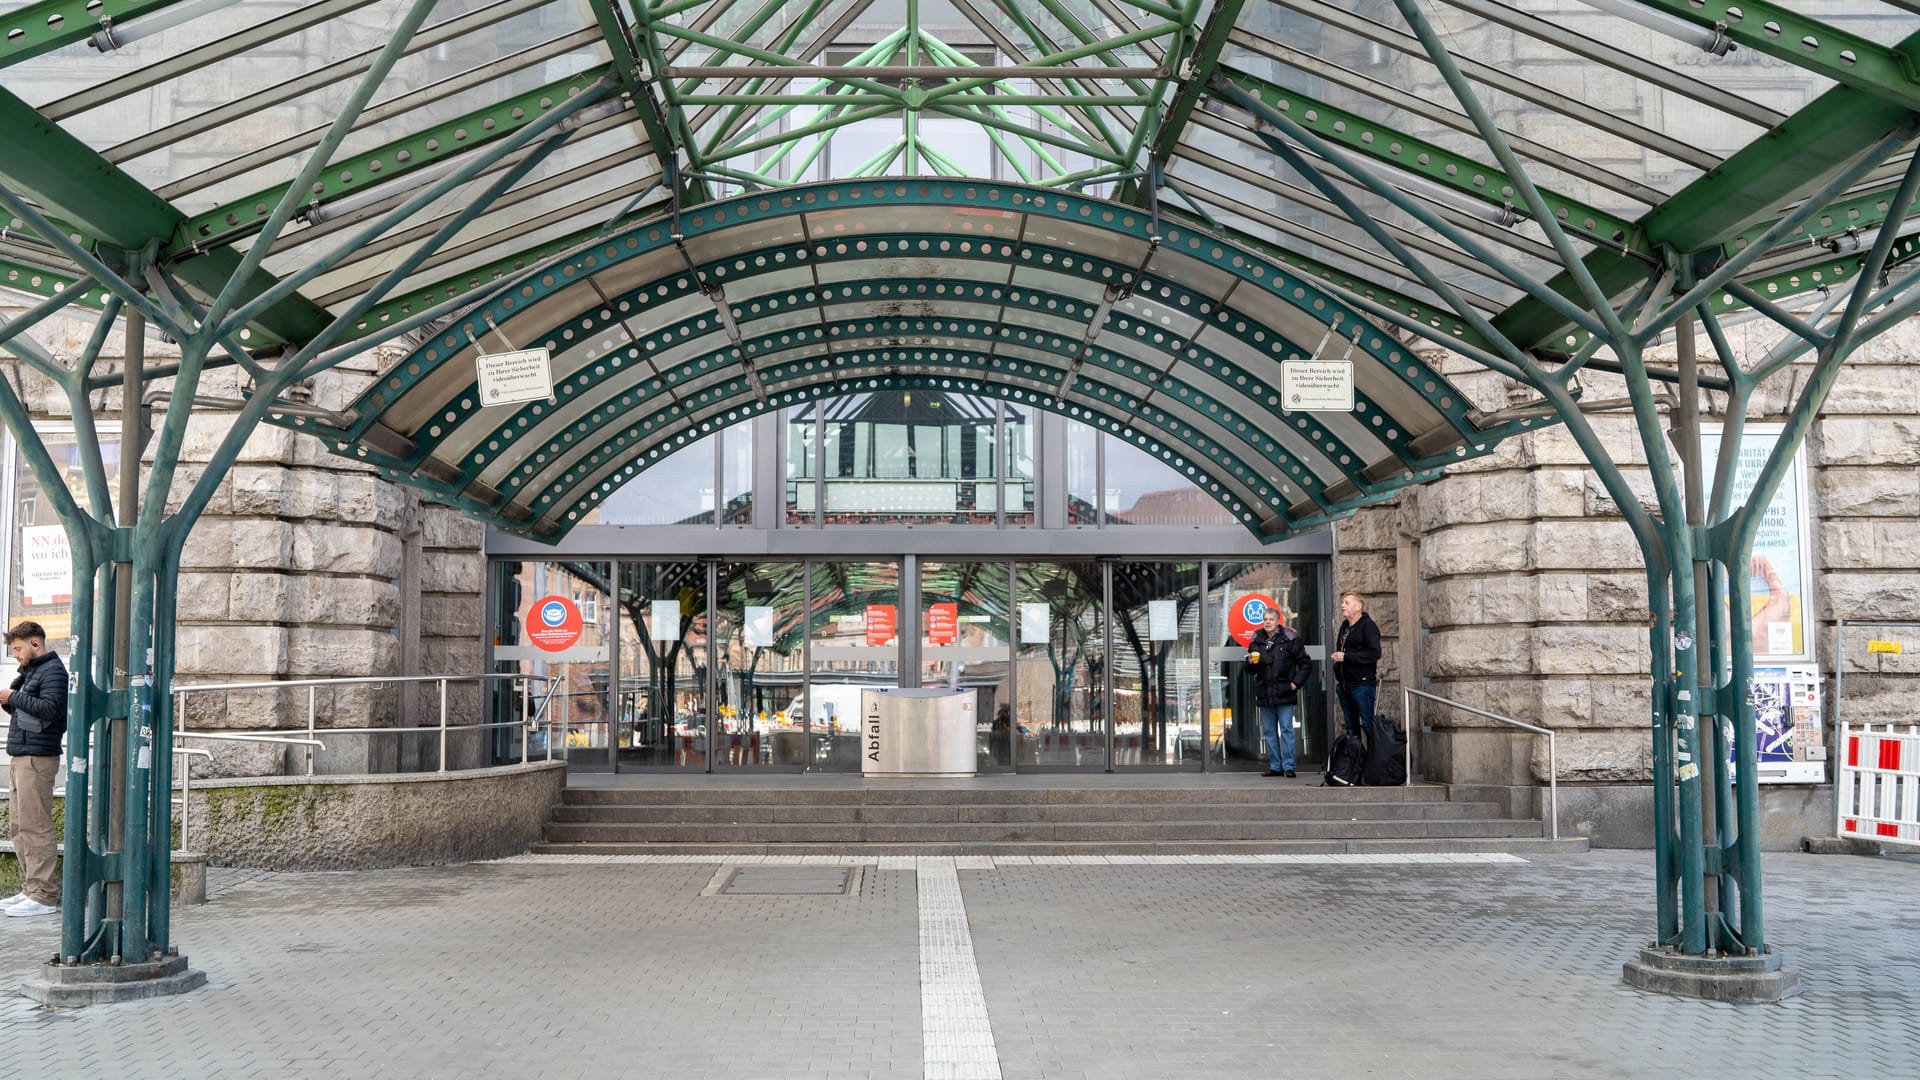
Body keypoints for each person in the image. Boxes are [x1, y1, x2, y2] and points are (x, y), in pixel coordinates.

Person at [1, 620, 69, 918]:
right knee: (19, 826)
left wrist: (13, 697)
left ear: (35, 643)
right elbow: (28, 711)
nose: (15, 655)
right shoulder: (33, 671)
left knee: (36, 825)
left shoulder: (53, 671)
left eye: (17, 649)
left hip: (37, 759)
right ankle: (32, 887)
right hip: (22, 754)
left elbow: (51, 710)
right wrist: (10, 700)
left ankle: (44, 894)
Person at [1246, 607, 1312, 778]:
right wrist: (1251, 663)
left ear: (1277, 621)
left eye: (1271, 619)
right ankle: (1276, 766)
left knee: (1286, 729)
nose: (1267, 622)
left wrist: (1295, 684)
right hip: (1265, 691)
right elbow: (1249, 670)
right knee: (1268, 731)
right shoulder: (1257, 639)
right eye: (1265, 619)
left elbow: (1305, 663)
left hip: (1284, 691)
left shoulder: (1289, 638)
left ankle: (1289, 766)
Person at [1331, 593, 1381, 743]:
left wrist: (1346, 657)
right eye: (1342, 602)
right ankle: (1356, 762)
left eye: (1346, 602)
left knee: (1368, 725)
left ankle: (1374, 762)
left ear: (1358, 606)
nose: (1342, 605)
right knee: (1351, 728)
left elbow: (1374, 653)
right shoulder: (1345, 626)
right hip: (1345, 686)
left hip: (1362, 685)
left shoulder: (1368, 626)